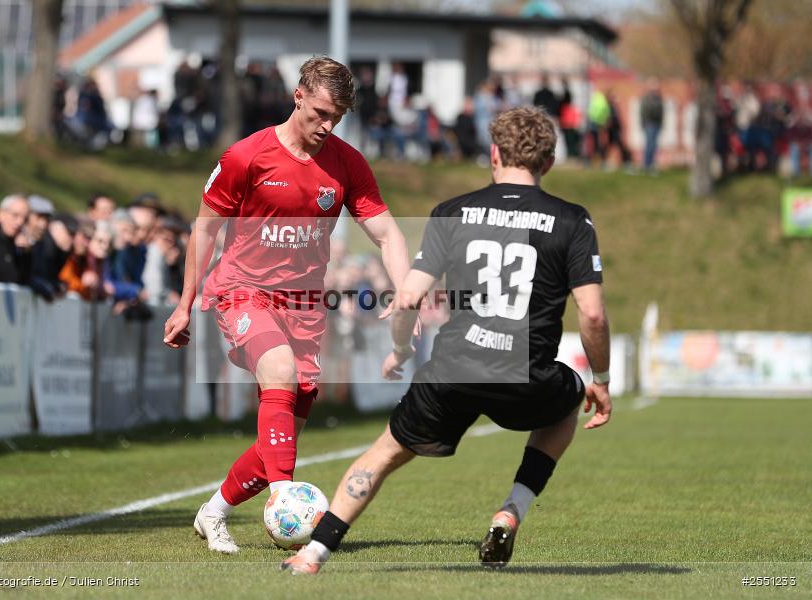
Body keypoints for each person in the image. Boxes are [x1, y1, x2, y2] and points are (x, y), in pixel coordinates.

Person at [282, 106, 613, 574]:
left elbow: (408, 296)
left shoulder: (452, 212)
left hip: (453, 369)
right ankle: (512, 508)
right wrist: (601, 379)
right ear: (549, 162)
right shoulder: (572, 220)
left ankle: (313, 553)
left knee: (384, 453)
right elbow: (593, 314)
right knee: (568, 402)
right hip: (526, 373)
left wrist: (400, 350)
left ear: (494, 154)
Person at [163, 56, 414, 555]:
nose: (327, 125)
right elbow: (205, 231)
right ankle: (285, 499)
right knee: (277, 371)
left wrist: (404, 287)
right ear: (298, 95)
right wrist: (185, 303)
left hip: (304, 306)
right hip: (243, 290)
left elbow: (386, 233)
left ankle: (213, 511)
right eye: (320, 113)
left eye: (336, 118)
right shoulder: (246, 156)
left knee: (279, 440)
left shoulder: (347, 163)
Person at [639, 78, 664, 173]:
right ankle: (647, 164)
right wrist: (644, 123)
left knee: (654, 145)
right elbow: (643, 112)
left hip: (656, 124)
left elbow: (661, 112)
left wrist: (661, 123)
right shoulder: (647, 98)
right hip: (649, 124)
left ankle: (651, 163)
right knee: (650, 145)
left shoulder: (658, 98)